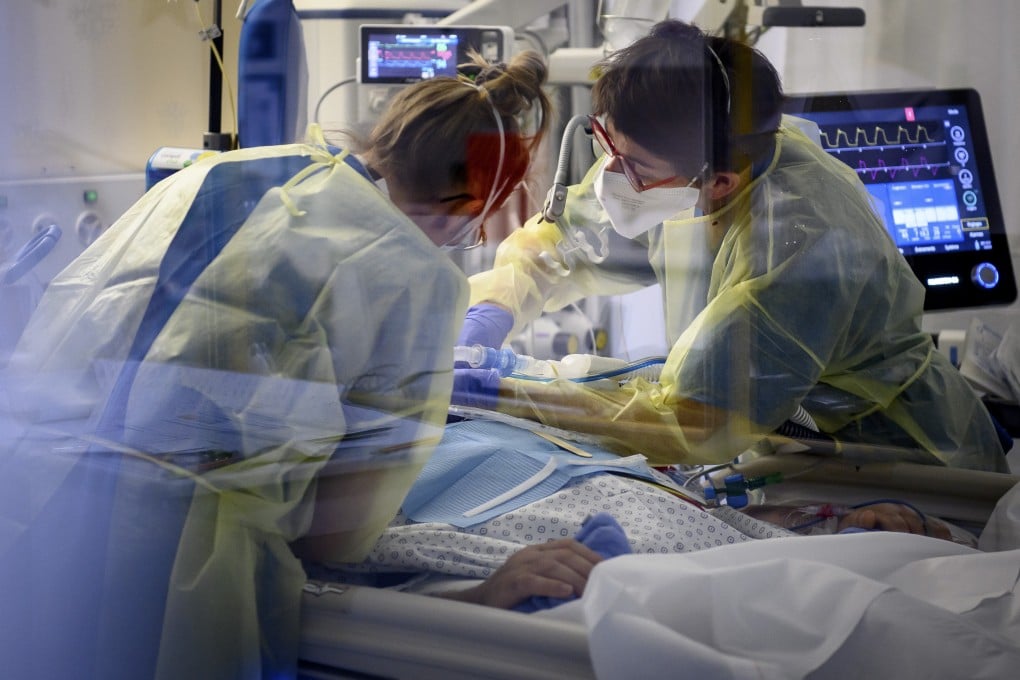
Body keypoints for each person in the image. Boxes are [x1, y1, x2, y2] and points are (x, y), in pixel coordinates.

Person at [0, 51, 551, 679]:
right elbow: (335, 536)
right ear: (468, 203)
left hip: (39, 497)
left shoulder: (218, 172)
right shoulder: (413, 275)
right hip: (184, 573)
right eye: (472, 229)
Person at [454, 19, 1008, 473]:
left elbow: (694, 424)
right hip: (795, 444)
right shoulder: (680, 151)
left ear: (720, 183)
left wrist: (512, 394)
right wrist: (489, 310)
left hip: (903, 464)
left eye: (635, 169)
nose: (611, 177)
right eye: (606, 146)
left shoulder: (799, 246)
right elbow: (567, 240)